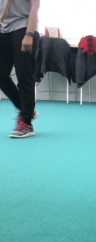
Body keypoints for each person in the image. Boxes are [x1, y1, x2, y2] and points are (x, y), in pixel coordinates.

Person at [0, 0, 40, 138]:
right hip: (3, 29)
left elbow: (35, 6)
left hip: (23, 27)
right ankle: (26, 109)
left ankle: (27, 123)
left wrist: (29, 34)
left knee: (24, 75)